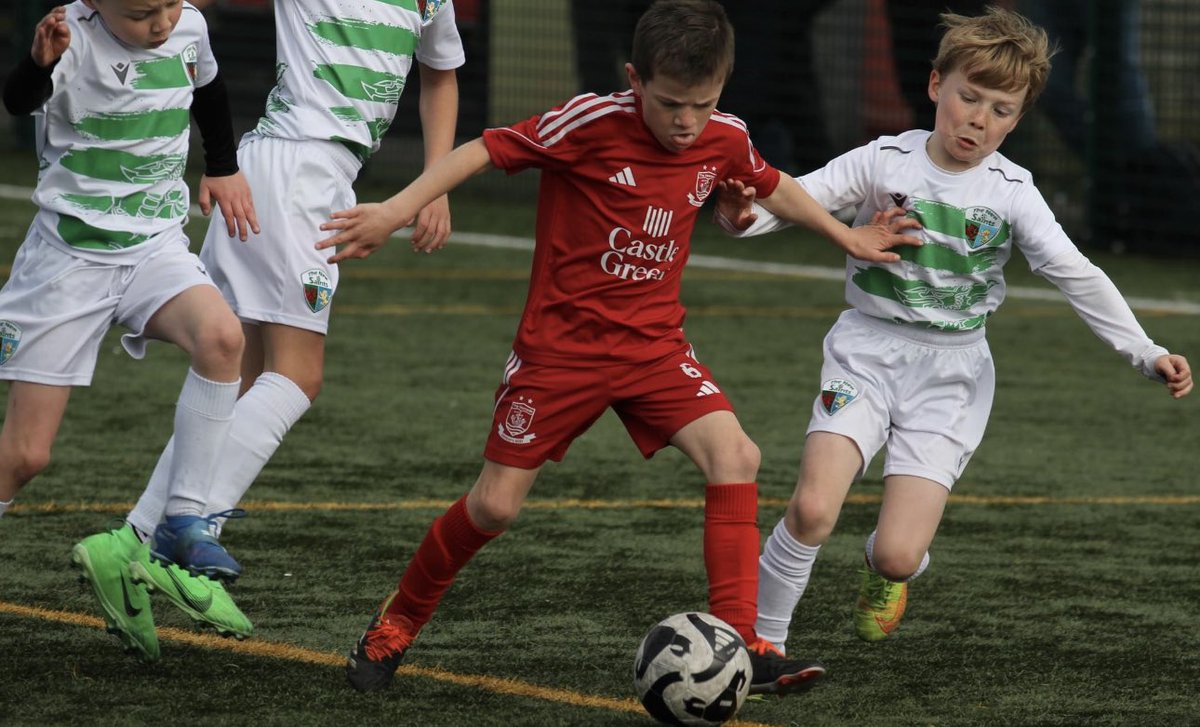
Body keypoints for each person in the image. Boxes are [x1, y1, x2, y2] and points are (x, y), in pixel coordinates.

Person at [317, 0, 922, 695]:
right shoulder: (589, 123)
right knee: (495, 507)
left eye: (703, 103)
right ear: (635, 79)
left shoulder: (722, 136)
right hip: (559, 354)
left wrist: (850, 237)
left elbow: (770, 184)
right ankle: (394, 624)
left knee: (737, 454)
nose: (686, 121)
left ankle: (742, 642)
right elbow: (483, 148)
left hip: (654, 349)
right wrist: (394, 210)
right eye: (670, 104)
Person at [713, 7, 1194, 653]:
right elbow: (801, 197)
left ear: (1018, 118)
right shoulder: (883, 159)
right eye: (970, 97)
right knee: (811, 509)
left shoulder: (1013, 191)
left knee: (896, 555)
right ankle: (762, 646)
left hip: (953, 376)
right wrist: (745, 217)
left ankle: (889, 572)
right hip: (866, 353)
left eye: (1001, 110)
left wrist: (1146, 350)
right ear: (937, 85)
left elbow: (1076, 273)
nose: (979, 119)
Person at [116, 0, 464, 626]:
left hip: (297, 171)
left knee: (239, 380)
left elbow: (440, 73)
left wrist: (434, 182)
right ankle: (181, 537)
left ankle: (131, 544)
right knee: (298, 376)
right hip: (297, 172)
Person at [0, 0, 260, 661]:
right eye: (145, 13)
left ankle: (182, 519)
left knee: (224, 339)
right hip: (68, 260)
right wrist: (37, 64)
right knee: (26, 455)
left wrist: (223, 164)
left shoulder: (190, 27)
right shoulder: (68, 37)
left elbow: (209, 89)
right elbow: (16, 100)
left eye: (171, 4)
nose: (163, 23)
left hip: (154, 245)